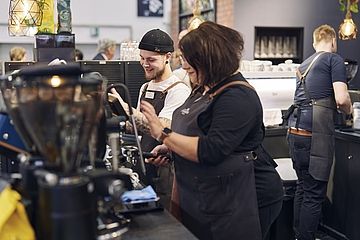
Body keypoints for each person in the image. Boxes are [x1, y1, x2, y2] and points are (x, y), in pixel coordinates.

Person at [141, 21, 283, 240]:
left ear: (210, 60)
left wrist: (164, 135)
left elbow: (211, 150)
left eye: (190, 61)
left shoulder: (238, 96)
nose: (185, 65)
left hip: (248, 196)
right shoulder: (202, 88)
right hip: (213, 192)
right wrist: (171, 150)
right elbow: (195, 132)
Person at [109, 28, 191, 209]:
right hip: (144, 164)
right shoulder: (145, 87)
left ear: (167, 57)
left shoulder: (178, 90)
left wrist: (125, 107)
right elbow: (137, 127)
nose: (145, 64)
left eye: (151, 60)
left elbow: (162, 129)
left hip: (165, 170)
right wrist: (114, 112)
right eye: (142, 58)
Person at [286, 24, 352, 240]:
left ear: (315, 43)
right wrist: (349, 110)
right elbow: (341, 98)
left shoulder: (303, 65)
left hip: (295, 132)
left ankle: (298, 236)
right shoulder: (334, 60)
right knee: (314, 194)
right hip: (316, 135)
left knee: (303, 188)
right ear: (334, 41)